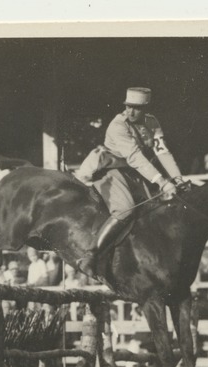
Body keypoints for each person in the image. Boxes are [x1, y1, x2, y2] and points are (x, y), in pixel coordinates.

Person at [76, 87, 185, 274]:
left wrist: (177, 179)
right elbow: (135, 157)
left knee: (154, 209)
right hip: (109, 169)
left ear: (145, 108)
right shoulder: (118, 125)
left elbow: (162, 152)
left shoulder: (152, 122)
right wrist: (162, 181)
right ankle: (91, 255)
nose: (130, 111)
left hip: (134, 171)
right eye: (128, 106)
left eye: (136, 108)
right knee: (125, 209)